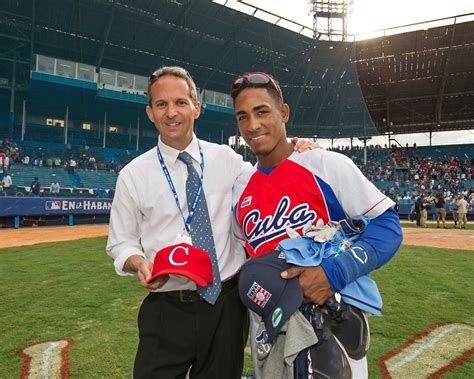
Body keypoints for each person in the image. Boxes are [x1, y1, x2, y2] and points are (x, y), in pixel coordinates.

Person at [106, 66, 316, 379]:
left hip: (226, 306)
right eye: (161, 105)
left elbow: (268, 179)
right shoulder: (133, 175)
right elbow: (120, 241)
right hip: (166, 305)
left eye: (180, 102)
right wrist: (138, 263)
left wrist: (294, 148)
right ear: (150, 112)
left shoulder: (227, 159)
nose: (171, 112)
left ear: (196, 108)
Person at [230, 71, 403, 378]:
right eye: (243, 116)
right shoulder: (239, 186)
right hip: (269, 330)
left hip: (330, 323)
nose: (252, 125)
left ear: (283, 113)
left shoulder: (325, 165)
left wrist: (332, 273)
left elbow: (388, 226)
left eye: (262, 112)